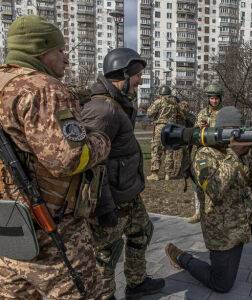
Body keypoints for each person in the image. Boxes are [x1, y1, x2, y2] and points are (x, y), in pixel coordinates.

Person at [0, 15, 111, 299]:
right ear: (41, 51)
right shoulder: (43, 89)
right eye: (61, 50)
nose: (67, 58)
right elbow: (69, 159)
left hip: (8, 228)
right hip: (52, 231)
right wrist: (100, 142)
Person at [165, 106, 252, 293]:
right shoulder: (204, 155)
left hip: (245, 213)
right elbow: (216, 190)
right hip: (222, 226)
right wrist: (234, 154)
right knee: (222, 284)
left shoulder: (243, 155)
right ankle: (181, 257)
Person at [81, 48, 165, 300]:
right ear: (124, 74)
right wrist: (104, 208)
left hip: (128, 194)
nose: (140, 80)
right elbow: (92, 164)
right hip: (111, 201)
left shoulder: (118, 103)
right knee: (107, 253)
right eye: (138, 75)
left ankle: (136, 283)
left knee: (142, 232)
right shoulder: (102, 110)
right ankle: (104, 296)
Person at [187, 83, 225, 223]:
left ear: (220, 99)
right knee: (200, 181)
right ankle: (198, 212)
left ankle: (216, 212)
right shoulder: (202, 112)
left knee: (219, 182)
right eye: (212, 98)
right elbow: (195, 132)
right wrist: (200, 127)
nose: (214, 101)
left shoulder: (224, 113)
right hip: (203, 152)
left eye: (216, 98)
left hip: (219, 152)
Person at [146, 85, 181, 181]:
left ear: (161, 93)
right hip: (171, 128)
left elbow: (149, 113)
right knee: (169, 150)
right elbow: (180, 114)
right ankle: (168, 174)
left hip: (160, 127)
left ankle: (155, 174)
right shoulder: (175, 103)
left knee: (156, 150)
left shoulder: (159, 101)